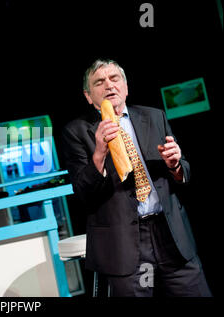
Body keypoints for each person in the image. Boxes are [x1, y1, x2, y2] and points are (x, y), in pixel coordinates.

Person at [61, 59, 211, 297]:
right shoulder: (77, 132)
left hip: (171, 235)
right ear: (89, 96)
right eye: (99, 82)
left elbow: (184, 172)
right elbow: (82, 192)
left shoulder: (154, 117)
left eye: (114, 79)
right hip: (125, 245)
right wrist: (99, 153)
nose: (109, 85)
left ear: (126, 87)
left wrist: (175, 166)